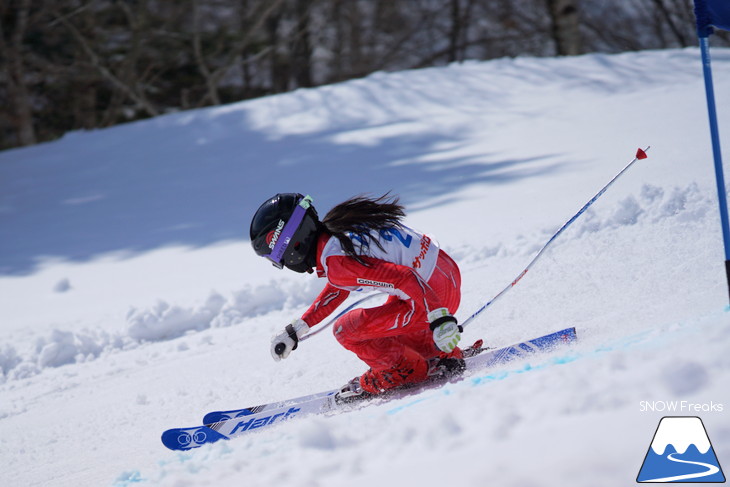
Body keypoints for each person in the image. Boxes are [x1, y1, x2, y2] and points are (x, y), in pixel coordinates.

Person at [249, 192, 464, 398]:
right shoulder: (338, 232)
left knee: (346, 330)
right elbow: (341, 285)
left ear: (291, 247)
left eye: (277, 259)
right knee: (383, 325)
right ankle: (436, 352)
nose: (284, 265)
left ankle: (404, 372)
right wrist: (298, 329)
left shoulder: (338, 263)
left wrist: (440, 317)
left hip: (432, 296)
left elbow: (405, 277)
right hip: (444, 273)